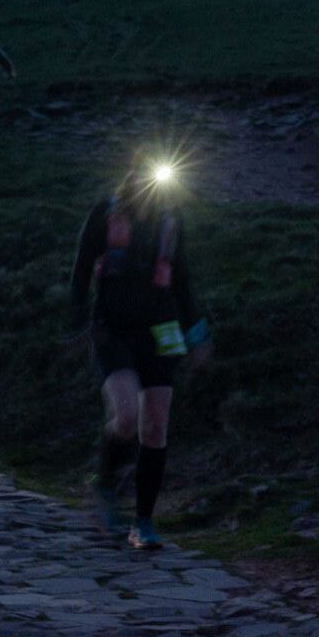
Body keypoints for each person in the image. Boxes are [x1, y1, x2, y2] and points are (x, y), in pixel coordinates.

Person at [68, 151, 213, 551]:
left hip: (162, 333)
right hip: (112, 332)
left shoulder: (171, 224)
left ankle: (144, 522)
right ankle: (103, 486)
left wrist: (198, 334)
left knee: (156, 425)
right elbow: (81, 272)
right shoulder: (104, 216)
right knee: (127, 416)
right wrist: (77, 323)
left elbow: (181, 281)